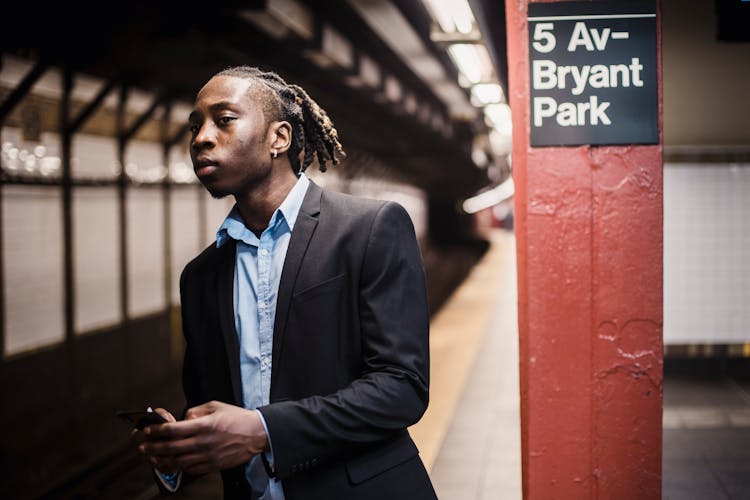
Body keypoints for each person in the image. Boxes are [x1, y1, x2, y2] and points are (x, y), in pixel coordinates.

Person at [131, 66, 436, 500]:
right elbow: (220, 411)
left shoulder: (368, 229)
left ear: (279, 138)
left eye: (224, 119)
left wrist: (263, 430)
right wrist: (182, 446)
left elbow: (401, 388)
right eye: (195, 125)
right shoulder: (200, 277)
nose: (201, 137)